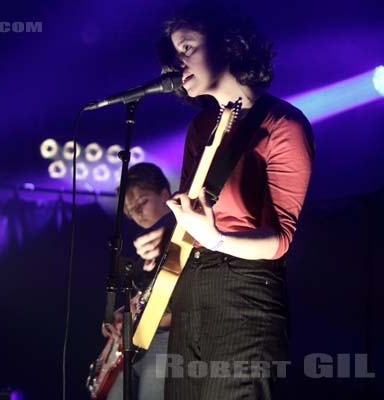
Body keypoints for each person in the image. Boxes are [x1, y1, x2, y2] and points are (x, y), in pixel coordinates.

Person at [133, 3, 315, 399]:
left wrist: (214, 237)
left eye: (186, 47)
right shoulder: (200, 126)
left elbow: (281, 239)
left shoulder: (283, 124)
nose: (177, 62)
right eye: (174, 53)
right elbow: (193, 213)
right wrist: (166, 240)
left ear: (229, 45)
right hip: (191, 286)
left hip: (245, 293)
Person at [101, 162, 174, 400]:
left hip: (166, 340)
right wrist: (123, 313)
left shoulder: (189, 235)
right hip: (137, 342)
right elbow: (144, 297)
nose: (137, 214)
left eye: (142, 202)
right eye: (131, 211)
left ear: (165, 194)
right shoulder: (140, 251)